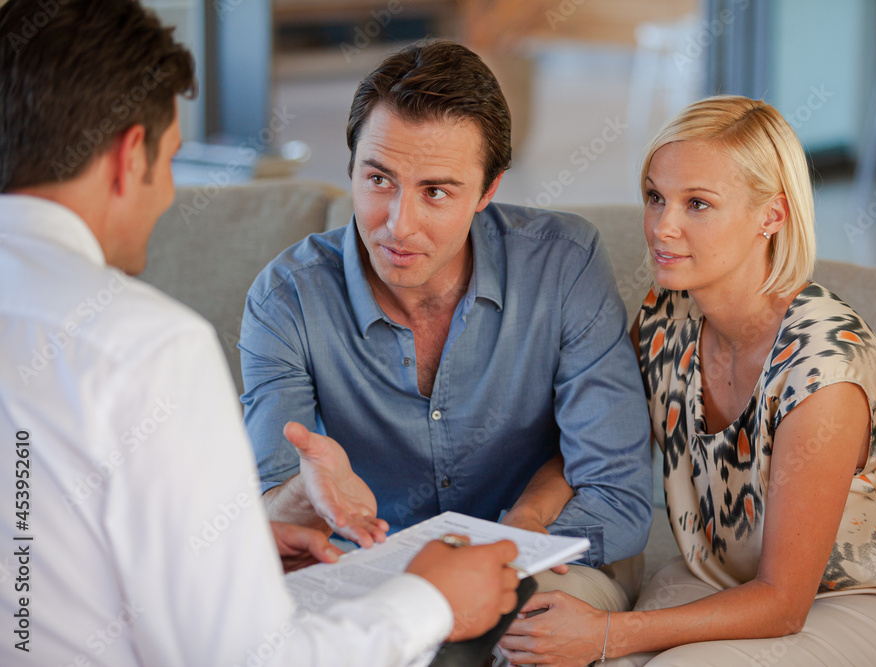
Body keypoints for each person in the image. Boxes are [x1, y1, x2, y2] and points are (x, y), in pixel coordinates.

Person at [0, 2, 520, 665]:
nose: (166, 197)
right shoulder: (144, 347)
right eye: (172, 164)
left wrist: (232, 547)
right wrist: (432, 600)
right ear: (131, 155)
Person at [496, 96, 876, 666]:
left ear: (772, 215)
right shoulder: (668, 313)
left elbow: (783, 603)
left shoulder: (824, 372)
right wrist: (528, 517)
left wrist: (609, 631)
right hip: (726, 575)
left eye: (698, 204)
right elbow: (605, 440)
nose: (664, 226)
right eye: (656, 197)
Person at [239, 40, 653, 622]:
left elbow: (617, 495)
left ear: (488, 191)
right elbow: (270, 521)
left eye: (436, 191)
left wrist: (491, 561)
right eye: (379, 180)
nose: (398, 224)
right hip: (372, 577)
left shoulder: (564, 264)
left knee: (517, 635)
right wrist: (305, 497)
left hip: (540, 567)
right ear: (352, 166)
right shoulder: (286, 299)